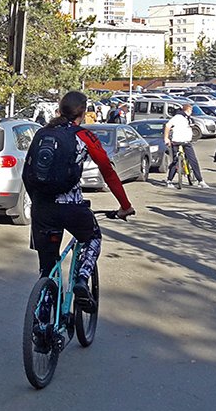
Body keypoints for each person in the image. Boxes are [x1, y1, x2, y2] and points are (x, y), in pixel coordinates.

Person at [26, 91, 135, 309]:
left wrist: (37, 202)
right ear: (83, 112)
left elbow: (28, 172)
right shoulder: (84, 136)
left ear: (60, 110)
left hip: (42, 209)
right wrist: (125, 206)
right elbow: (108, 171)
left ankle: (42, 325)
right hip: (72, 208)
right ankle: (82, 279)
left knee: (47, 269)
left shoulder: (42, 133)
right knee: (93, 238)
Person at [164, 103, 209, 188]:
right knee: (179, 161)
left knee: (186, 161)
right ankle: (170, 180)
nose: (191, 112)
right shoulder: (178, 117)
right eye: (191, 110)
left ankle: (199, 180)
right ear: (188, 110)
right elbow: (167, 125)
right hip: (178, 141)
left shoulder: (187, 118)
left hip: (184, 141)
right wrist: (166, 138)